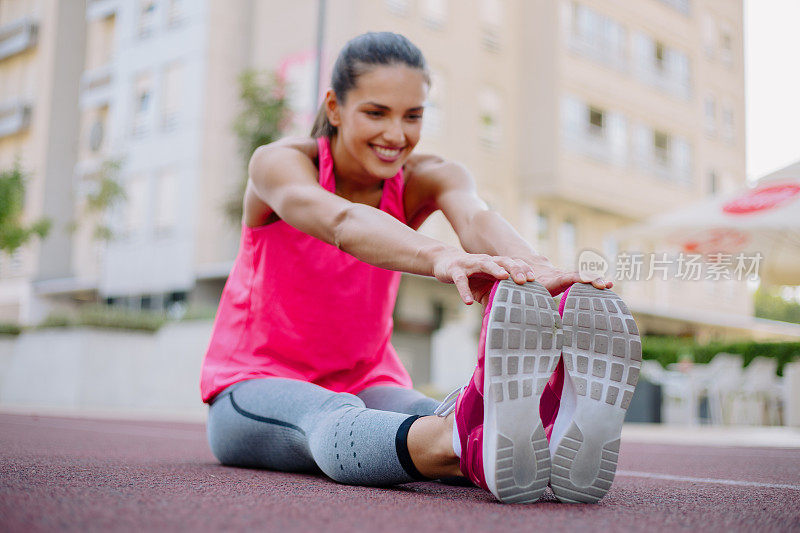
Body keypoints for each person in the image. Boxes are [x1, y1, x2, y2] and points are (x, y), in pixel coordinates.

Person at [201, 32, 641, 504]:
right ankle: (467, 439)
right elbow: (342, 220)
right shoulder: (278, 165)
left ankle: (531, 431)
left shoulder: (430, 176)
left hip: (370, 379)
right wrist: (441, 256)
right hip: (251, 385)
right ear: (334, 108)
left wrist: (534, 269)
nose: (396, 135)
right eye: (376, 112)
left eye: (413, 116)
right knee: (333, 415)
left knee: (431, 416)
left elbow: (474, 216)